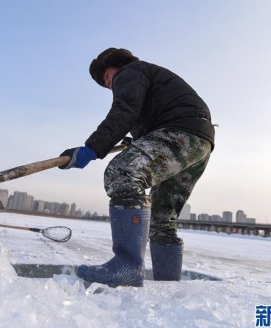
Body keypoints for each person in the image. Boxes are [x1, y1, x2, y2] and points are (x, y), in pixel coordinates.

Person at [58, 48, 215, 287]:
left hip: (180, 133)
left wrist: (91, 148)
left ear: (116, 65)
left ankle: (127, 266)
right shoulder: (150, 78)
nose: (109, 84)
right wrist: (139, 140)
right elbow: (148, 115)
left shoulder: (130, 72)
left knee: (122, 173)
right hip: (199, 142)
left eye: (108, 77)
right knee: (162, 218)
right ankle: (168, 283)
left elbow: (124, 111)